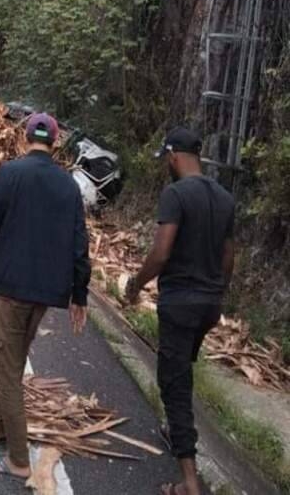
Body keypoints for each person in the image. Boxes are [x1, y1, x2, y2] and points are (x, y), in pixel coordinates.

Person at [0, 112, 91, 480]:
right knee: (13, 359)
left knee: (6, 370)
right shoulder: (68, 186)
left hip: (13, 289)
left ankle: (18, 459)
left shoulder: (11, 174)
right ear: (55, 141)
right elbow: (80, 244)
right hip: (46, 294)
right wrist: (80, 294)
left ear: (25, 136)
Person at [125, 127, 235, 495]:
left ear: (173, 156)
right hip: (208, 305)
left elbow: (161, 252)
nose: (166, 166)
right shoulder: (224, 198)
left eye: (166, 160)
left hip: (180, 303)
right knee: (182, 365)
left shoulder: (175, 194)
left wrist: (136, 284)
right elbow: (228, 257)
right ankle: (176, 429)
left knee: (174, 385)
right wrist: (217, 294)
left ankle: (189, 483)